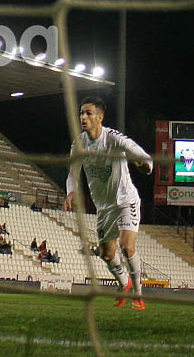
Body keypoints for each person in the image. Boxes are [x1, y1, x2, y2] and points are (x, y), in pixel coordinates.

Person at [65, 95, 152, 310]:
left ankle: (138, 294)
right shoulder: (78, 144)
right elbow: (72, 174)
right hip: (103, 208)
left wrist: (145, 166)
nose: (83, 117)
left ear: (100, 117)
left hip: (125, 200)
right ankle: (125, 282)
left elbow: (143, 156)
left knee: (126, 246)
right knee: (106, 254)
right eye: (81, 113)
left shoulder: (113, 138)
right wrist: (71, 193)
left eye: (88, 113)